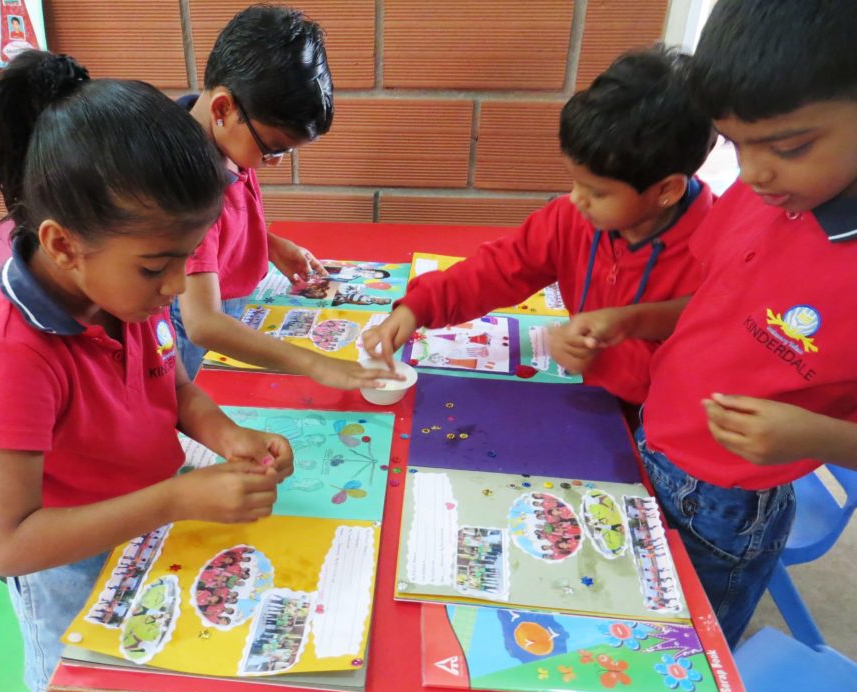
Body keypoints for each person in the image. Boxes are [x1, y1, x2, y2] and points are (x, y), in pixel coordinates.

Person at [0, 50, 294, 692]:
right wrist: (174, 499)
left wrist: (227, 434)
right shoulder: (10, 353)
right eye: (156, 266)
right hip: (73, 573)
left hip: (149, 536)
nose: (176, 287)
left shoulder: (121, 291)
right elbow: (7, 544)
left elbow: (172, 386)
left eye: (185, 260)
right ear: (63, 245)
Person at [562, 0, 857, 646]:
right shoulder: (762, 197)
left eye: (789, 146)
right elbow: (720, 305)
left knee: (685, 651)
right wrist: (634, 319)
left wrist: (816, 436)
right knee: (624, 621)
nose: (751, 172)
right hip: (655, 440)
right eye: (734, 144)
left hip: (728, 506)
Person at [362, 45, 714, 406]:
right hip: (588, 397)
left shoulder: (717, 253)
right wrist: (418, 307)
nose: (576, 198)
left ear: (667, 191)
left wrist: (601, 358)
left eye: (597, 191)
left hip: (659, 419)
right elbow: (499, 270)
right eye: (575, 181)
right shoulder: (571, 219)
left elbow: (692, 378)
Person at [174, 4, 397, 389]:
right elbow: (202, 323)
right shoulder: (188, 188)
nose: (274, 162)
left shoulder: (221, 135)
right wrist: (314, 364)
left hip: (235, 305)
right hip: (197, 338)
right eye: (271, 148)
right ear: (223, 108)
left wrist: (268, 244)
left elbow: (220, 231)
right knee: (196, 402)